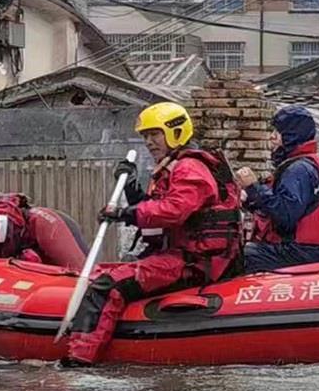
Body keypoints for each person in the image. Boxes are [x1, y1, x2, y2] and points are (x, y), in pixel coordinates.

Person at [61, 102, 244, 367]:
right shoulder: (174, 167)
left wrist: (126, 213)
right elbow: (155, 218)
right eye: (145, 136)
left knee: (109, 286)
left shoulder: (190, 168)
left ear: (175, 132)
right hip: (181, 256)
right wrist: (132, 190)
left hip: (195, 262)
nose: (149, 142)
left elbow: (173, 211)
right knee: (103, 273)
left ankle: (79, 360)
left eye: (154, 134)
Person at [236, 105, 319, 272]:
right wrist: (249, 199)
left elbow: (285, 214)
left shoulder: (298, 169)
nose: (272, 138)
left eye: (277, 133)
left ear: (291, 136)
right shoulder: (309, 164)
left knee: (239, 255)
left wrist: (254, 187)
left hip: (300, 253)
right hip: (311, 252)